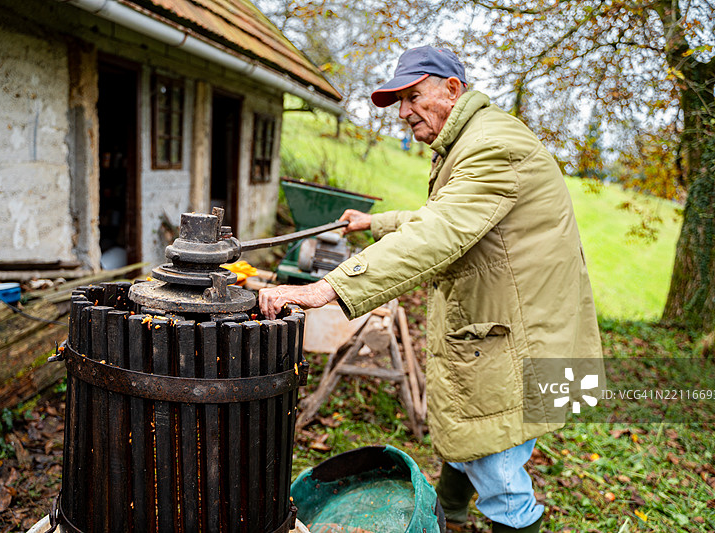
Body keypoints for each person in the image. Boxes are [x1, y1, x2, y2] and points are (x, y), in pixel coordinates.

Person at [259, 45, 604, 532]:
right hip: (518, 323)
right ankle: (452, 518)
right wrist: (375, 222)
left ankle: (495, 520)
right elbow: (448, 216)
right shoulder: (470, 140)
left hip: (522, 337)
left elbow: (440, 232)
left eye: (412, 97)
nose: (403, 113)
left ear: (452, 88)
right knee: (472, 439)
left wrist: (330, 289)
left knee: (497, 465)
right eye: (398, 102)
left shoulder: (493, 145)